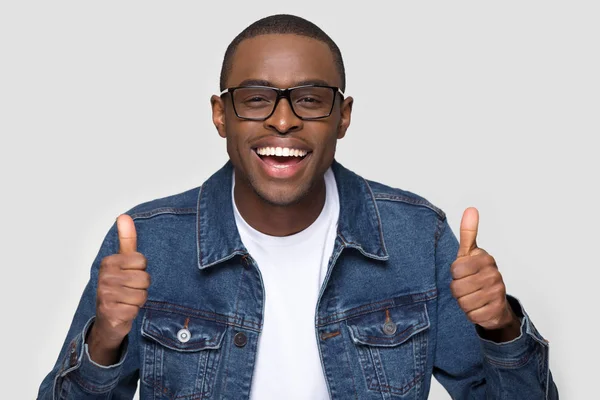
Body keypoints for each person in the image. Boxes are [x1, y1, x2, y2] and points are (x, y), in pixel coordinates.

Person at [38, 14, 558, 400]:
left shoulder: (416, 237)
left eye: (309, 98)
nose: (283, 121)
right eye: (257, 97)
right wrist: (105, 340)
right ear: (221, 115)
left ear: (343, 116)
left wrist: (502, 328)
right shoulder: (149, 245)